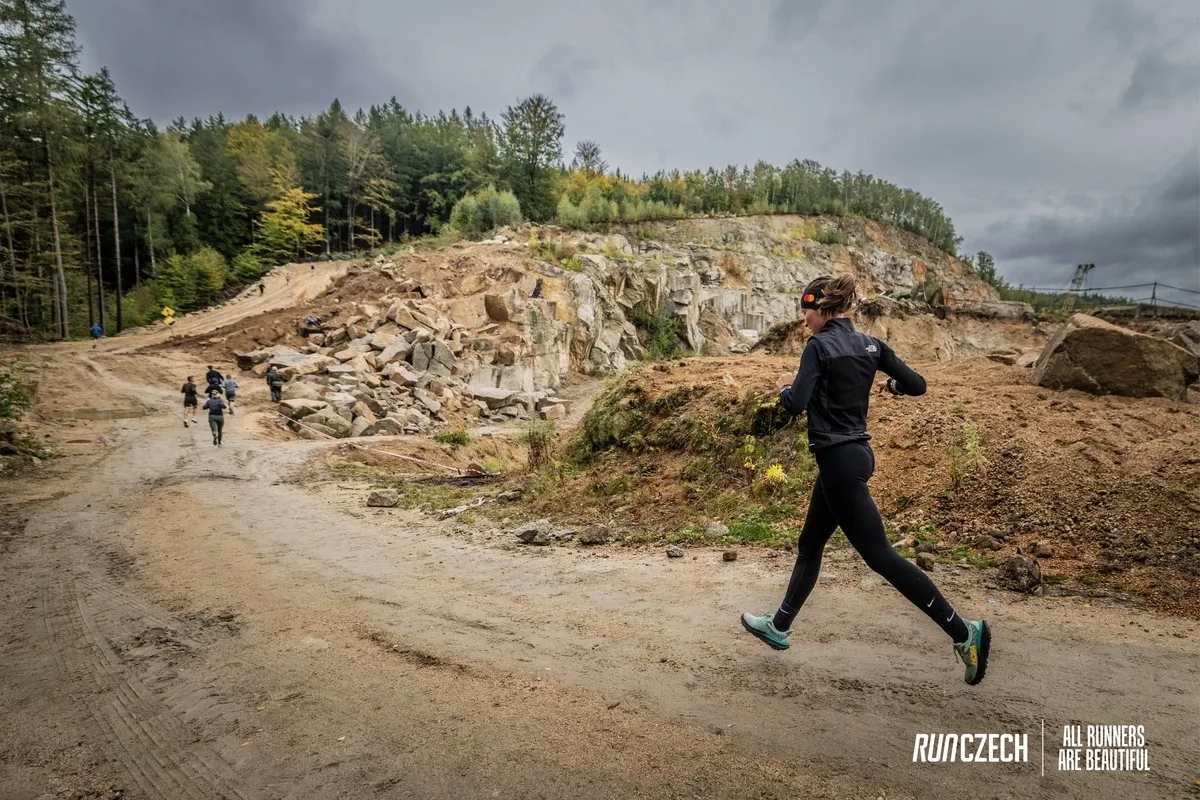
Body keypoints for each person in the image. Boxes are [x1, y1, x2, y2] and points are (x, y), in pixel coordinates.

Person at [739, 275, 990, 686]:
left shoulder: (818, 348)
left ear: (822, 308)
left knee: (880, 556)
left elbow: (796, 403)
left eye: (806, 311)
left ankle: (965, 634)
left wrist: (783, 387)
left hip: (837, 461)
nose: (804, 320)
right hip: (856, 456)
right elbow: (917, 384)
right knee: (810, 544)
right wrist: (890, 384)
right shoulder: (872, 345)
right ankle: (780, 625)